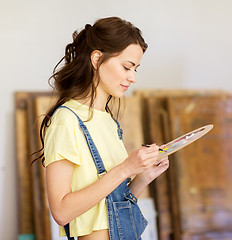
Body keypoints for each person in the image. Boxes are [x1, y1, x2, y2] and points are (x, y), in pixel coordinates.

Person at [34, 17, 169, 240]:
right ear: (96, 59)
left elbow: (112, 206)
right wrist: (126, 168)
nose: (133, 77)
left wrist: (143, 176)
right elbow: (61, 212)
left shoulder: (107, 121)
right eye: (127, 67)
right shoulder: (66, 120)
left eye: (136, 69)